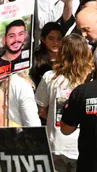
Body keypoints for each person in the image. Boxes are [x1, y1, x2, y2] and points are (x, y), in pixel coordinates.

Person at [36, 34, 92, 171]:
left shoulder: (50, 77)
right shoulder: (90, 79)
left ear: (62, 53)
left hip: (56, 145)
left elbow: (42, 110)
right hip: (82, 147)